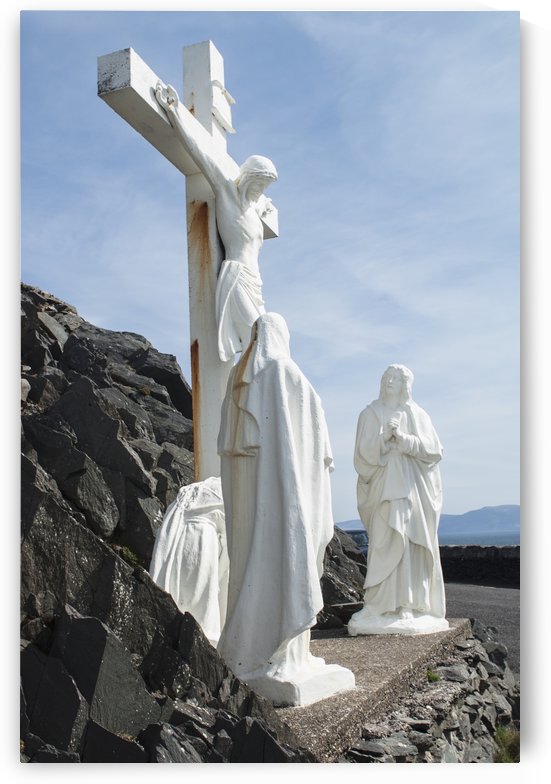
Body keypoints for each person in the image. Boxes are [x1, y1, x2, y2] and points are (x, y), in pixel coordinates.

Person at [217, 313, 355, 704]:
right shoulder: (287, 373)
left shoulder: (240, 380)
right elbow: (316, 453)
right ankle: (284, 654)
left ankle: (256, 650)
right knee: (290, 561)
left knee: (256, 565)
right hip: (291, 496)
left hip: (255, 500)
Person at [155, 82, 277, 361]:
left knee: (264, 341)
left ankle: (245, 397)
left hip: (255, 282)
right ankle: (247, 396)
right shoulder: (226, 191)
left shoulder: (255, 209)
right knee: (260, 342)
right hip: (236, 276)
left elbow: (262, 204)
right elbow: (201, 152)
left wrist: (265, 205)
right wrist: (175, 113)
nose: (261, 190)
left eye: (265, 187)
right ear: (248, 176)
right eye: (259, 183)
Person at [348, 364, 449, 636]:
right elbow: (361, 455)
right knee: (383, 541)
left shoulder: (417, 414)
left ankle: (408, 603)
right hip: (383, 490)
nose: (389, 381)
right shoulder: (369, 414)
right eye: (386, 377)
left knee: (407, 543)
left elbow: (434, 450)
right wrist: (383, 439)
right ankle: (378, 604)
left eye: (396, 378)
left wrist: (404, 440)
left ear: (406, 384)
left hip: (411, 488)